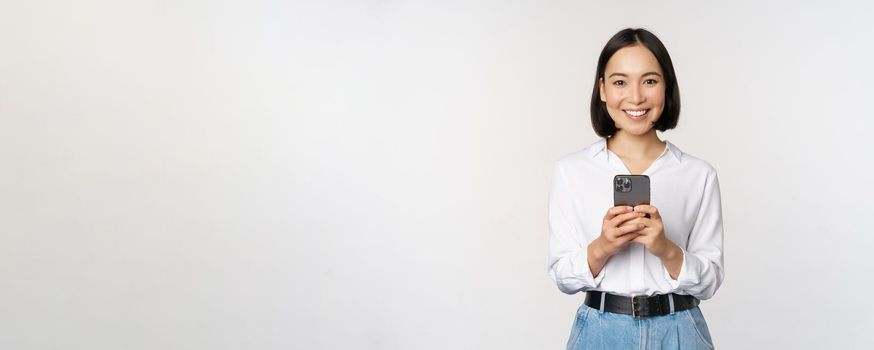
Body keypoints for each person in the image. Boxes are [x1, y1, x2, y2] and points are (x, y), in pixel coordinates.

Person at [547, 28, 725, 350]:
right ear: (602, 90)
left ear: (666, 86)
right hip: (600, 332)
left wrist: (665, 248)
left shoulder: (698, 175)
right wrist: (603, 246)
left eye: (650, 81)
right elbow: (562, 274)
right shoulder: (572, 171)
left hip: (680, 332)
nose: (636, 97)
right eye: (620, 82)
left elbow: (710, 280)